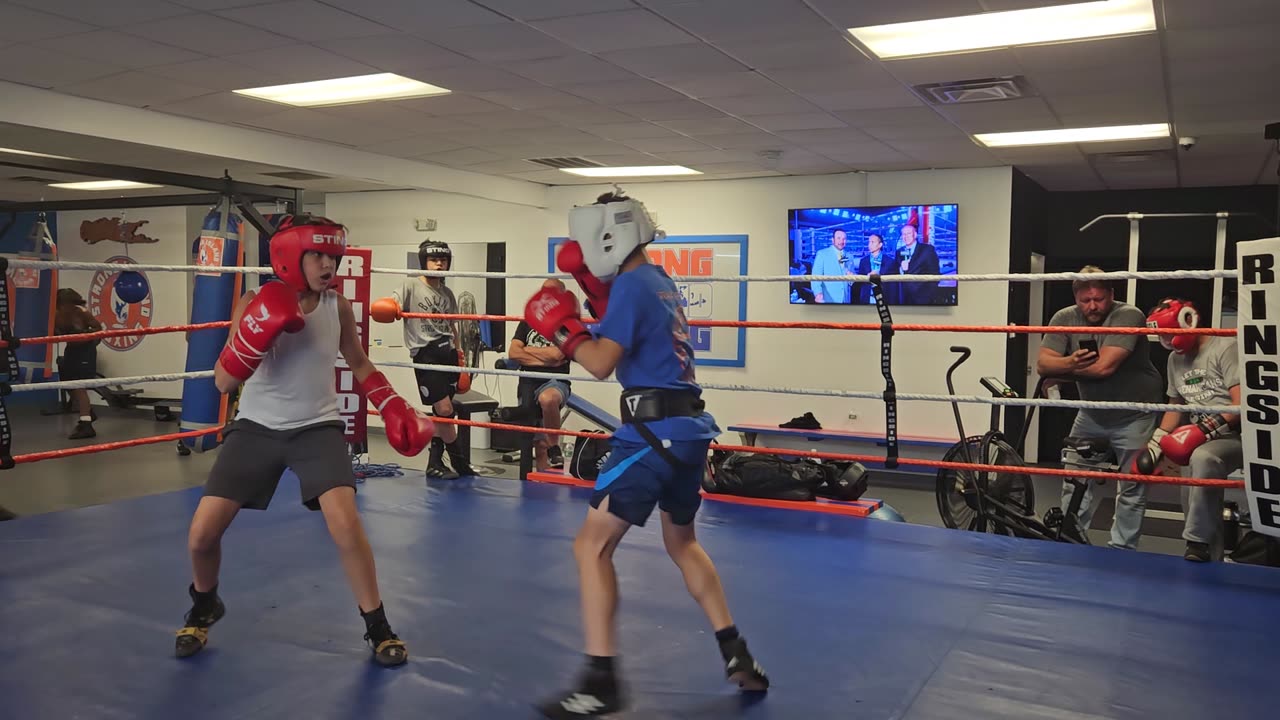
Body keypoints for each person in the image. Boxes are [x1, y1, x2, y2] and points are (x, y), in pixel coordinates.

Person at [524, 191, 769, 718]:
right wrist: (587, 303)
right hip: (689, 432)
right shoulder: (658, 282)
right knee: (682, 542)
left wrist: (561, 325)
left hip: (652, 435)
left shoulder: (633, 285)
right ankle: (735, 651)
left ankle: (600, 681)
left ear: (606, 236)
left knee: (590, 548)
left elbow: (598, 363)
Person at [173, 214, 434, 666]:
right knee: (201, 536)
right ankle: (204, 603)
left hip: (317, 427)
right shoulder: (253, 301)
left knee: (346, 524)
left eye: (333, 255)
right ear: (291, 256)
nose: (328, 264)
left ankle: (378, 626)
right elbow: (220, 382)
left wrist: (392, 404)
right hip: (255, 427)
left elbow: (359, 363)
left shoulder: (339, 305)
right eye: (317, 254)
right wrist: (258, 332)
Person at [1037, 266, 1164, 550]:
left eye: (1099, 299)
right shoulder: (1064, 317)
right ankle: (1071, 538)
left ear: (1111, 295)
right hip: (1092, 411)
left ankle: (1122, 548)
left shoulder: (1129, 315)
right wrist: (1071, 363)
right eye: (1086, 300)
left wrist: (1064, 365)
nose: (1093, 306)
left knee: (1132, 483)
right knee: (1074, 476)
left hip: (1135, 411)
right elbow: (1043, 365)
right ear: (1076, 298)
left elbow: (1104, 367)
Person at [1137, 298, 1242, 562]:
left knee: (1203, 458)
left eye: (1172, 332)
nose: (1169, 340)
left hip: (1236, 435)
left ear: (1188, 320)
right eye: (1163, 335)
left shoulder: (1225, 346)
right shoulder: (1175, 359)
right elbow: (1175, 406)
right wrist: (1155, 444)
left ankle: (1195, 544)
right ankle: (1209, 560)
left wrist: (1203, 430)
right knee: (1197, 501)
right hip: (1197, 437)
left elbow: (1243, 404)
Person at [393, 240, 475, 479]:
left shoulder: (448, 293)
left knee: (444, 414)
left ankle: (437, 464)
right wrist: (390, 308)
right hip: (426, 353)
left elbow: (453, 326)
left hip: (447, 352)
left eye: (443, 260)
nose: (439, 265)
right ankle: (457, 462)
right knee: (445, 408)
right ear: (424, 262)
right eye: (434, 260)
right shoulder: (410, 285)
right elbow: (393, 303)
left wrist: (460, 359)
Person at [508, 287, 573, 471]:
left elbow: (558, 355)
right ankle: (541, 487)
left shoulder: (567, 325)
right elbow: (513, 352)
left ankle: (555, 447)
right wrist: (546, 358)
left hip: (555, 381)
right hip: (528, 381)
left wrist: (527, 351)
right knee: (538, 444)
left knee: (548, 399)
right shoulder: (527, 322)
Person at [54, 288, 102, 440]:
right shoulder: (57, 315)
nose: (64, 308)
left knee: (79, 386)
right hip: (71, 350)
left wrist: (87, 338)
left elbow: (98, 329)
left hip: (85, 351)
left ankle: (86, 424)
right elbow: (56, 332)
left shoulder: (82, 312)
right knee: (67, 383)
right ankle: (87, 411)